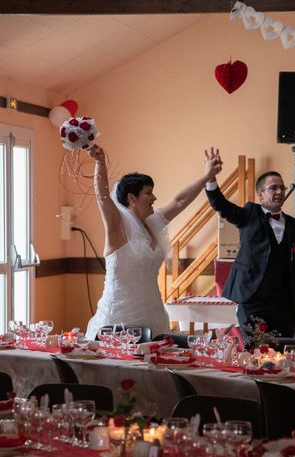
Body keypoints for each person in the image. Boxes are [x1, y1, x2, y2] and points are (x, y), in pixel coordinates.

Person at [84, 144, 222, 340]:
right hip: (119, 315)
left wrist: (206, 177)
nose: (154, 197)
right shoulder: (117, 227)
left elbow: (179, 201)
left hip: (153, 313)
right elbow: (103, 197)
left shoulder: (154, 221)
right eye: (149, 193)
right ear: (132, 198)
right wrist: (100, 162)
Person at [204, 149, 295, 339]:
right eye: (273, 188)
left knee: (283, 356)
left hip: (284, 306)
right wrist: (210, 178)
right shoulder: (249, 214)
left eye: (282, 188)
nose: (280, 192)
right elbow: (221, 205)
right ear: (260, 195)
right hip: (252, 300)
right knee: (257, 354)